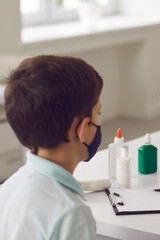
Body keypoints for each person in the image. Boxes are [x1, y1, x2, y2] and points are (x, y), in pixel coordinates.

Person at [0, 55, 103, 239]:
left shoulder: (7, 189)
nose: (99, 121)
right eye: (98, 112)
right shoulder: (71, 214)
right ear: (81, 129)